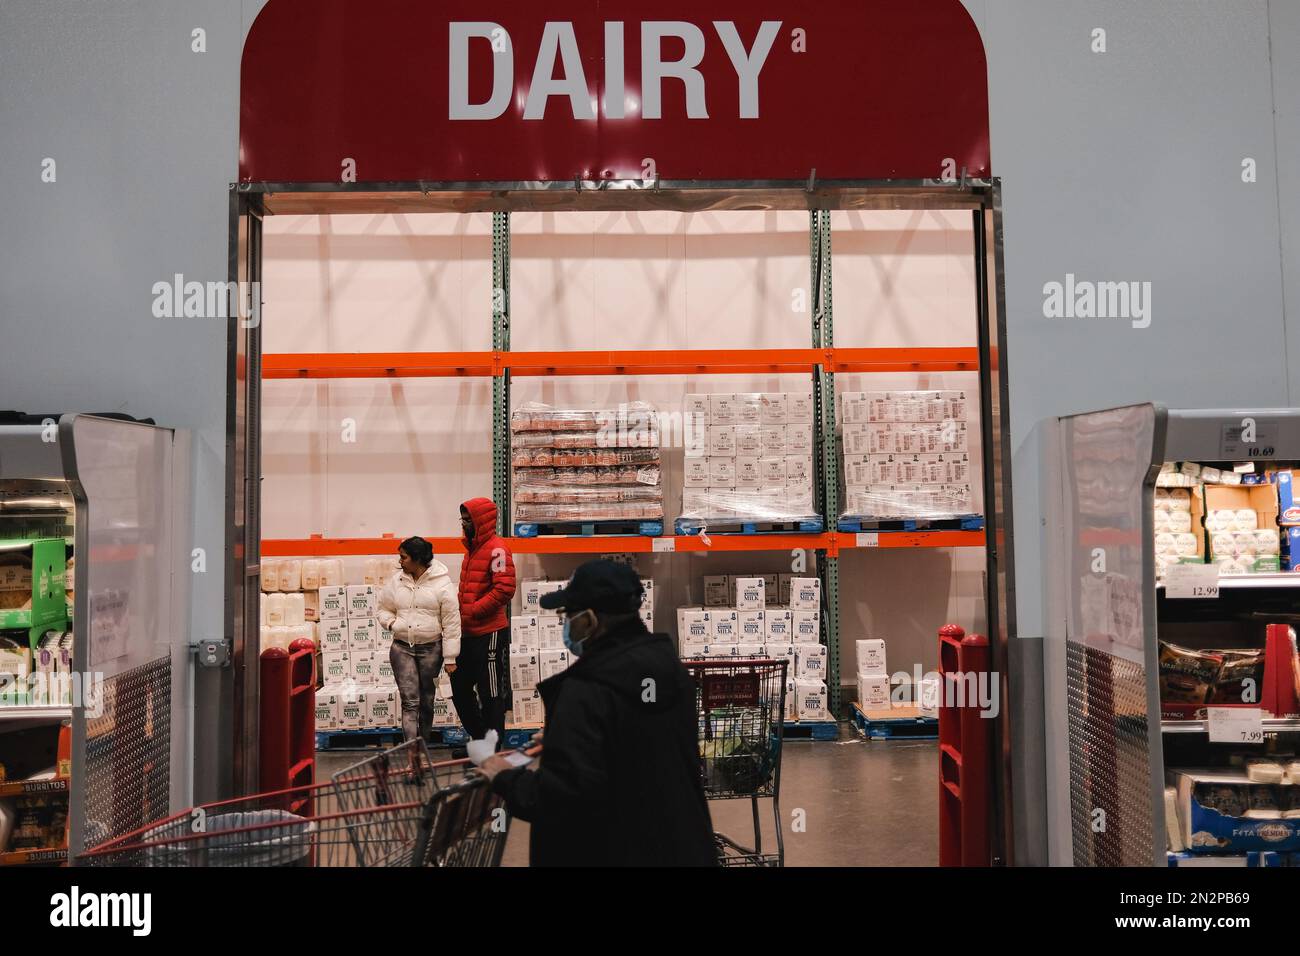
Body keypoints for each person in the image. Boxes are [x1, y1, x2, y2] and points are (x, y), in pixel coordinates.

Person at [478, 559, 717, 867]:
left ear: (589, 620)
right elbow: (637, 747)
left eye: (567, 615)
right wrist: (564, 739)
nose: (565, 624)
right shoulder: (671, 671)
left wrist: (505, 777)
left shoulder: (587, 689)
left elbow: (562, 799)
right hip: (681, 846)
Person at [376, 536, 460, 744]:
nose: (400, 561)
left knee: (427, 701)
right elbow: (383, 608)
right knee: (410, 702)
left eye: (404, 557)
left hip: (431, 650)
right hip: (401, 648)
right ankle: (412, 753)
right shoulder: (397, 581)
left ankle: (423, 747)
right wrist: (391, 624)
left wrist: (450, 657)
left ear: (418, 559)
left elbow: (451, 622)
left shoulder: (442, 584)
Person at [454, 497, 516, 751]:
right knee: (459, 689)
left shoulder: (497, 549)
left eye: (468, 520)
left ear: (482, 521)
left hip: (489, 632)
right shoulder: (471, 550)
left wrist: (473, 610)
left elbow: (504, 589)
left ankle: (492, 750)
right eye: (463, 520)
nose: (464, 524)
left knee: (490, 693)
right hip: (466, 633)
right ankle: (481, 741)